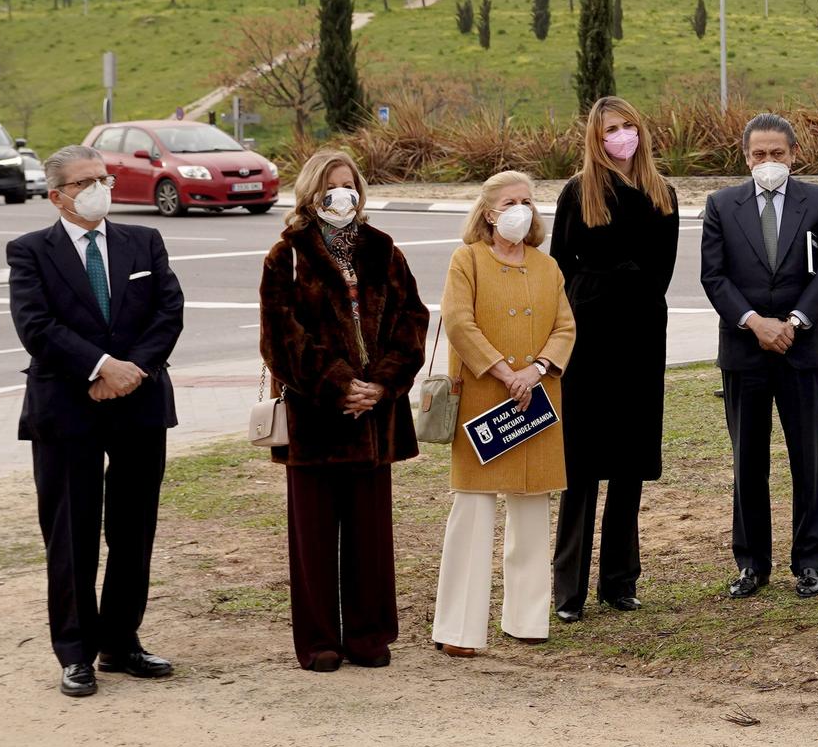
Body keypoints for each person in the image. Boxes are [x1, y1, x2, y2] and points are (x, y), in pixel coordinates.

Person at [6, 145, 185, 697]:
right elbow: (36, 326)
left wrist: (133, 371)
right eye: (85, 181)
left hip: (140, 402)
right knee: (71, 532)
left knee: (133, 530)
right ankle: (75, 651)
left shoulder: (143, 241)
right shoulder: (30, 251)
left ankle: (121, 641)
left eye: (103, 177)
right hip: (65, 409)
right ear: (57, 194)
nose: (99, 187)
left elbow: (169, 310)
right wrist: (101, 367)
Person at [258, 150, 429, 671]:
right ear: (312, 194)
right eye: (332, 187)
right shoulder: (286, 256)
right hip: (315, 419)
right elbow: (281, 340)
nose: (343, 196)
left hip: (376, 418)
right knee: (312, 538)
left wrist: (380, 385)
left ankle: (367, 634)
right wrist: (338, 385)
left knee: (370, 535)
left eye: (350, 185)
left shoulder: (384, 251)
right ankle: (317, 640)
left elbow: (412, 323)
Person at [699, 113, 818, 599]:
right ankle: (751, 563)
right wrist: (754, 322)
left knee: (809, 458)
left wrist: (795, 323)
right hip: (745, 350)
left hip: (803, 350)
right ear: (746, 158)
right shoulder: (722, 205)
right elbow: (713, 276)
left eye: (777, 154)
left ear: (793, 154)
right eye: (759, 154)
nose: (768, 162)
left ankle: (808, 561)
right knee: (748, 460)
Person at [432, 172, 576, 657]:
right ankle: (458, 629)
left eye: (528, 201)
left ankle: (527, 619)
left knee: (532, 510)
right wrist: (501, 371)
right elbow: (458, 321)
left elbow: (565, 327)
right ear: (489, 212)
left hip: (535, 404)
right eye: (511, 202)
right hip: (482, 401)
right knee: (472, 513)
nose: (522, 209)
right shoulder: (466, 260)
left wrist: (535, 371)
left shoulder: (547, 266)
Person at [551, 97, 680, 620]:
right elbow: (560, 264)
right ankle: (569, 588)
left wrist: (636, 296)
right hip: (588, 338)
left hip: (641, 337)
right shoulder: (578, 192)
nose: (622, 135)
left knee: (629, 461)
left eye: (628, 126)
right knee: (581, 464)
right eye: (611, 129)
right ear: (595, 137)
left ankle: (620, 580)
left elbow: (663, 269)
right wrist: (594, 296)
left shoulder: (661, 193)